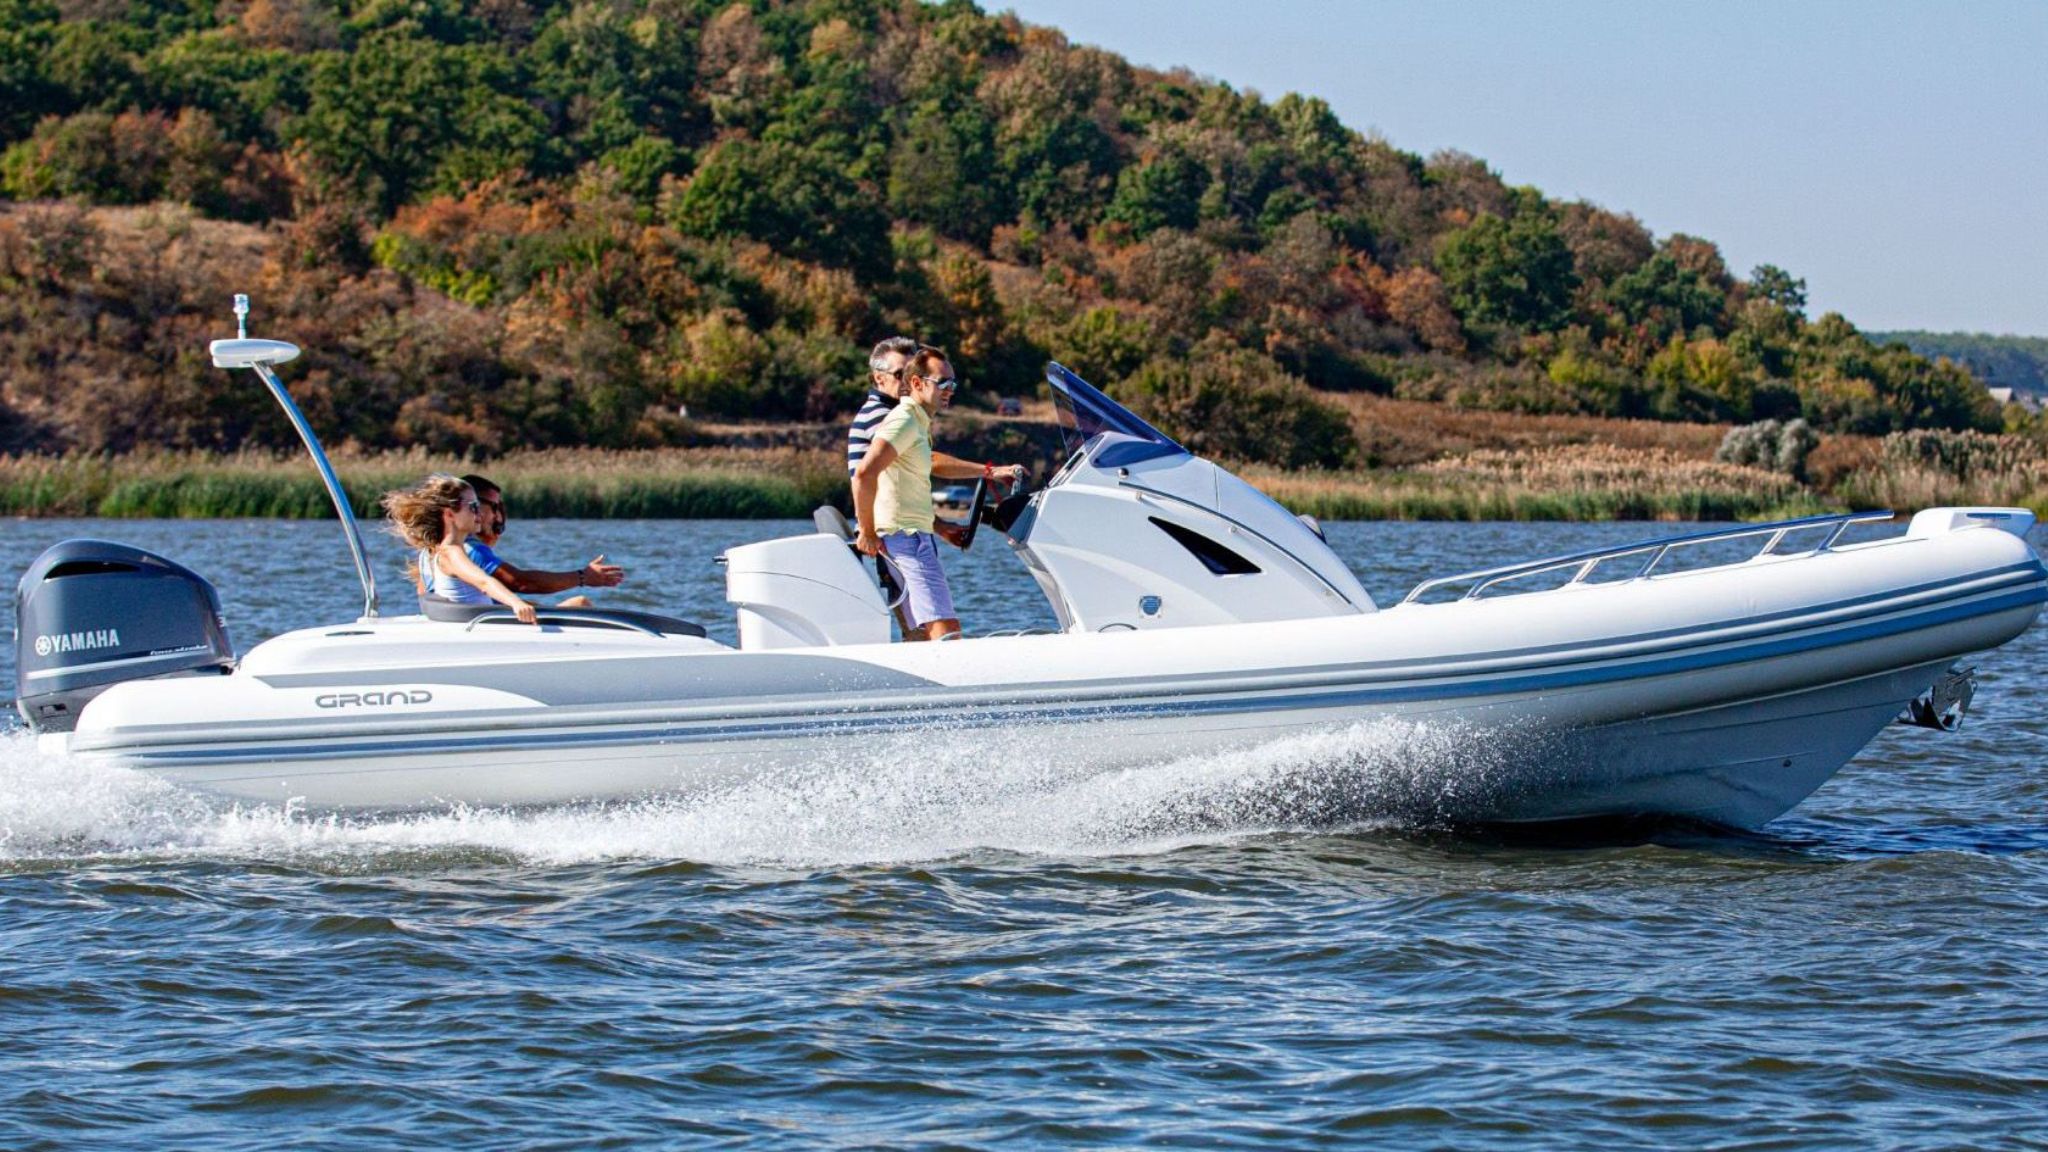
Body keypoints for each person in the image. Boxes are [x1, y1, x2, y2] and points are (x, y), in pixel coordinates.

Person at [851, 346, 1025, 641]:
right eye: (942, 383)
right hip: (907, 538)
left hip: (908, 536)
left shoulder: (916, 421)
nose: (949, 391)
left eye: (952, 384)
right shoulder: (904, 420)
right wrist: (866, 531)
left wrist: (988, 472)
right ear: (917, 384)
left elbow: (930, 463)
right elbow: (864, 474)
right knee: (947, 633)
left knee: (923, 635)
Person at [381, 474, 536, 624]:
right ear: (449, 514)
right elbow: (484, 582)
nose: (479, 514)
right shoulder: (451, 552)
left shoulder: (439, 550)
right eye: (473, 507)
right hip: (480, 630)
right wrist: (515, 603)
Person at [461, 474, 624, 609]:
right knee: (580, 603)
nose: (498, 516)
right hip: (490, 626)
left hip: (489, 620)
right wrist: (583, 577)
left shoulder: (453, 547)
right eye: (495, 507)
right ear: (474, 506)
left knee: (577, 603)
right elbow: (522, 583)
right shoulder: (472, 551)